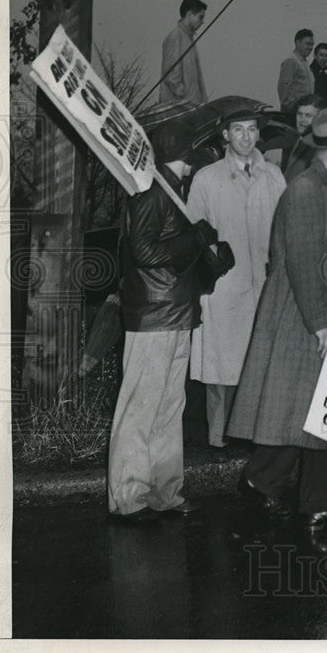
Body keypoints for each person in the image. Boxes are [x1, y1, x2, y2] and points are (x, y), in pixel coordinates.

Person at [227, 107, 327, 527]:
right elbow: (305, 263)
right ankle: (286, 491)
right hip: (309, 314)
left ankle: (296, 494)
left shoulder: (323, 185)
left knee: (321, 411)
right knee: (311, 410)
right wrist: (321, 324)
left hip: (320, 309)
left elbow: (322, 249)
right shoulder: (309, 190)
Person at [107, 119, 230, 522]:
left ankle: (164, 491)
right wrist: (192, 239)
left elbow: (167, 253)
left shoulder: (172, 192)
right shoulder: (151, 193)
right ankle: (129, 497)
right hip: (154, 315)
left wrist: (209, 252)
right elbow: (143, 251)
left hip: (174, 311)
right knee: (143, 407)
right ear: (183, 154)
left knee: (167, 406)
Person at [186, 105, 286, 457]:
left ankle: (255, 434)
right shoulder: (207, 178)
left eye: (252, 129)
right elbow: (193, 231)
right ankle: (217, 437)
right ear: (225, 135)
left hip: (264, 280)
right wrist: (212, 265)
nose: (246, 136)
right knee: (219, 363)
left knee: (259, 361)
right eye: (238, 129)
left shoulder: (274, 176)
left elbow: (284, 228)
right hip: (224, 283)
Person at [160, 0, 208, 107]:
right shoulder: (175, 37)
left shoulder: (189, 39)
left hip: (192, 108)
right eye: (200, 17)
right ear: (190, 14)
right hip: (179, 110)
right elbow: (172, 75)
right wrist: (184, 101)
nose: (202, 22)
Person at [277, 28, 315, 114]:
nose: (310, 47)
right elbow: (284, 90)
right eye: (308, 44)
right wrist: (294, 110)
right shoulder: (291, 61)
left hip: (304, 112)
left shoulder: (304, 63)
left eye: (312, 44)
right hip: (293, 113)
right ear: (297, 43)